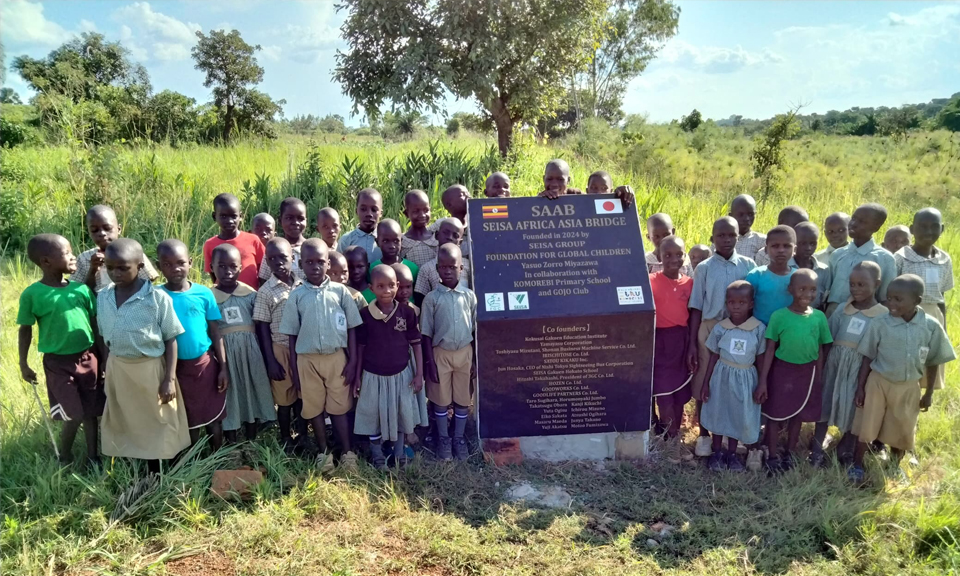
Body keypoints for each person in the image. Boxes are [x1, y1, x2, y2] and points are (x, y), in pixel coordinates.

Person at [849, 274, 956, 482]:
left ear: (917, 301)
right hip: (879, 382)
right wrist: (860, 387)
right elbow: (867, 356)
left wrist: (929, 393)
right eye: (889, 298)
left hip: (908, 386)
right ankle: (857, 465)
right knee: (867, 425)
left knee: (903, 428)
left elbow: (934, 360)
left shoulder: (930, 326)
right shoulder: (880, 323)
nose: (892, 303)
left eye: (898, 299)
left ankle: (894, 466)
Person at [96, 239, 188, 474]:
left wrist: (169, 379)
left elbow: (171, 338)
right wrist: (106, 364)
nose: (115, 273)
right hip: (119, 367)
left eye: (123, 268)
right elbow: (104, 335)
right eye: (110, 267)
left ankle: (161, 468)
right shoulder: (104, 296)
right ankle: (133, 464)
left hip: (149, 369)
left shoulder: (157, 299)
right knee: (125, 415)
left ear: (139, 266)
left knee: (156, 418)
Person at [18, 234, 102, 467]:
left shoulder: (81, 290)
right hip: (58, 363)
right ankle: (64, 457)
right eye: (66, 253)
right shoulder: (32, 294)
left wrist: (102, 358)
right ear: (46, 262)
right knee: (73, 414)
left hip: (88, 358)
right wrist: (23, 364)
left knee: (91, 412)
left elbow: (95, 324)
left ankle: (93, 457)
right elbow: (25, 329)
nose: (73, 256)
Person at [280, 238, 362, 472]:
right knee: (314, 407)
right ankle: (323, 453)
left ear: (328, 263)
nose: (315, 266)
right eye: (309, 262)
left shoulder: (340, 292)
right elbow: (292, 335)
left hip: (337, 358)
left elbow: (352, 328)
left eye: (320, 262)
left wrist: (352, 361)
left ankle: (347, 452)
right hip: (307, 361)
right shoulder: (296, 296)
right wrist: (295, 369)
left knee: (340, 407)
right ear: (300, 264)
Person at [688, 216, 757, 457]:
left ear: (739, 236)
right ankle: (704, 434)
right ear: (713, 238)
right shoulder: (704, 268)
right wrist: (692, 344)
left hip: (740, 330)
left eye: (731, 235)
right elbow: (696, 306)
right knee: (704, 380)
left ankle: (731, 432)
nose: (726, 239)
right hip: (710, 328)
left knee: (733, 381)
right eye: (721, 235)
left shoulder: (748, 265)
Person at [756, 270, 833, 473]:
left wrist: (818, 377)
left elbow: (821, 349)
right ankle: (772, 456)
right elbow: (770, 349)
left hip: (806, 374)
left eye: (812, 289)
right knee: (775, 414)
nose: (807, 294)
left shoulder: (819, 317)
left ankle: (789, 453)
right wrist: (763, 380)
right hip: (782, 372)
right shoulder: (779, 316)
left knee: (798, 415)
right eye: (802, 289)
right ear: (790, 289)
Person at [352, 265, 428, 469]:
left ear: (398, 285)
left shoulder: (407, 313)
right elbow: (360, 347)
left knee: (402, 414)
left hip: (401, 375)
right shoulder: (365, 315)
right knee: (373, 416)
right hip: (372, 375)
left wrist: (419, 374)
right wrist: (357, 376)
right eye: (380, 286)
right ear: (371, 288)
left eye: (391, 285)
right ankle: (377, 455)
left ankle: (399, 452)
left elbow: (416, 344)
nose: (387, 290)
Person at [812, 262, 886, 466]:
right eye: (852, 284)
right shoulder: (843, 309)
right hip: (835, 366)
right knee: (825, 402)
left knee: (854, 408)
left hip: (859, 369)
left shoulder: (882, 316)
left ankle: (846, 448)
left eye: (862, 284)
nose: (855, 289)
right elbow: (828, 338)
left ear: (877, 284)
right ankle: (816, 449)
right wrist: (822, 366)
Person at [158, 240, 229, 450]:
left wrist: (223, 368)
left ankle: (217, 457)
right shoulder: (157, 296)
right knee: (187, 418)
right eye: (167, 264)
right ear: (159, 266)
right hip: (175, 369)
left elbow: (215, 332)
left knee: (214, 417)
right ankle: (193, 460)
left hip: (205, 365)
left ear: (190, 263)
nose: (175, 269)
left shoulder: (203, 293)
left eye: (180, 263)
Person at [210, 244, 276, 443]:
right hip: (226, 355)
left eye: (233, 266)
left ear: (241, 267)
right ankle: (231, 439)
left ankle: (251, 438)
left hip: (251, 352)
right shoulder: (209, 298)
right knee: (231, 393)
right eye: (222, 266)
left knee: (252, 389)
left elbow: (261, 325)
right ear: (212, 267)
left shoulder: (251, 294)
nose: (228, 271)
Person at [699, 281, 767, 472]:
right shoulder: (721, 328)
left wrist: (762, 383)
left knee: (737, 414)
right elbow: (713, 356)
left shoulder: (758, 329)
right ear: (726, 303)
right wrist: (705, 383)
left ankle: (732, 454)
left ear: (751, 304)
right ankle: (717, 453)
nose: (736, 306)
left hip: (745, 380)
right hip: (721, 377)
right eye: (731, 302)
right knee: (719, 412)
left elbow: (761, 358)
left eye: (742, 302)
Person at [421, 244, 477, 462]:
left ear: (461, 268)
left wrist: (475, 360)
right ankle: (444, 439)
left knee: (463, 397)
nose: (447, 271)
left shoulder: (469, 297)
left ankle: (459, 438)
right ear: (437, 268)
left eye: (452, 267)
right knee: (441, 399)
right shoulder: (432, 299)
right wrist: (430, 363)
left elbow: (474, 330)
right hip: (440, 354)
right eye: (442, 267)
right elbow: (426, 334)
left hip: (464, 353)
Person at [253, 237, 307, 452]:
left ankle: (303, 436)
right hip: (280, 348)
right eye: (272, 259)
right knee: (284, 399)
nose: (278, 262)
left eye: (283, 257)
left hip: (303, 349)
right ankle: (285, 437)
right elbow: (262, 327)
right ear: (267, 262)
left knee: (302, 396)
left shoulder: (303, 283)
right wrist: (271, 361)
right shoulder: (266, 291)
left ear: (293, 258)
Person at [894, 207, 953, 392]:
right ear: (912, 229)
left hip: (933, 317)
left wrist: (943, 328)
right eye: (922, 226)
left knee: (927, 360)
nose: (928, 231)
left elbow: (941, 297)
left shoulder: (944, 259)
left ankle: (921, 401)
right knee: (906, 361)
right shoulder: (901, 258)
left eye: (934, 226)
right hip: (906, 316)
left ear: (942, 229)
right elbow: (891, 294)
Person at [649, 236, 694, 439]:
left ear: (685, 256)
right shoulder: (651, 281)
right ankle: (671, 437)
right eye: (667, 255)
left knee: (679, 392)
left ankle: (674, 432)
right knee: (664, 391)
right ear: (659, 257)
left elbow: (692, 315)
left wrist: (691, 345)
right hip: (659, 343)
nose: (674, 259)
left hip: (681, 342)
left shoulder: (690, 284)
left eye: (678, 254)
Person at [826, 203, 898, 317]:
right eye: (854, 218)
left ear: (876, 227)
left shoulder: (885, 258)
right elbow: (827, 291)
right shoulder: (837, 254)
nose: (853, 224)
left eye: (862, 221)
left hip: (865, 318)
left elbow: (885, 298)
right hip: (832, 315)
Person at [71, 204, 159, 293]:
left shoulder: (132, 253)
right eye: (94, 230)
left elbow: (148, 282)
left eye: (107, 228)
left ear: (119, 229)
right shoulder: (84, 258)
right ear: (89, 233)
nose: (102, 233)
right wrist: (93, 269)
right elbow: (79, 292)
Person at [203, 193, 265, 288]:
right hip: (223, 295)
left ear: (240, 216)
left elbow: (264, 269)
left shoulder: (253, 240)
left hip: (252, 294)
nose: (229, 221)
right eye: (223, 216)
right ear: (214, 216)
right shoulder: (210, 244)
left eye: (234, 216)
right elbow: (213, 274)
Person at [414, 218, 472, 307]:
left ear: (460, 242)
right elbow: (421, 302)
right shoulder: (426, 269)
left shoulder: (468, 266)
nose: (449, 237)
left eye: (455, 235)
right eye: (446, 233)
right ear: (437, 235)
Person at [745, 226, 796, 325]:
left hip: (789, 330)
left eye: (787, 246)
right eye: (775, 246)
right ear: (766, 249)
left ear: (795, 249)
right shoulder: (755, 276)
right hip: (760, 330)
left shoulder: (797, 277)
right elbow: (746, 307)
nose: (781, 250)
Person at [258, 197, 308, 283]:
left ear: (306, 220)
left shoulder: (310, 248)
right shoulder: (272, 248)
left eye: (300, 218)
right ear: (280, 220)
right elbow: (263, 280)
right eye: (289, 218)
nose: (295, 222)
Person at [371, 219, 419, 292]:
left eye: (396, 241)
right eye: (385, 241)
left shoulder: (412, 268)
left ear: (401, 241)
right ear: (377, 242)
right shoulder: (373, 269)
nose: (392, 246)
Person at [337, 188, 383, 261]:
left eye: (374, 210)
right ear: (356, 211)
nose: (369, 214)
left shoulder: (387, 240)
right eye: (363, 209)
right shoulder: (346, 240)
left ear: (381, 213)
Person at [793, 222, 831, 309]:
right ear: (794, 242)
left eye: (813, 244)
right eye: (803, 243)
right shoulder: (786, 267)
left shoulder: (824, 270)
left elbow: (824, 299)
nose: (808, 248)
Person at [400, 190, 439, 267]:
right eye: (416, 211)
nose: (422, 215)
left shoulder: (437, 239)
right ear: (406, 213)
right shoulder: (402, 242)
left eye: (426, 210)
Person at [440, 184, 472, 260]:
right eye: (462, 195)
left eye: (468, 193)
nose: (468, 197)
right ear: (449, 205)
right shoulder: (442, 225)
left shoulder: (476, 223)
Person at [729, 194, 765, 261]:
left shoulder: (763, 241)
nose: (746, 218)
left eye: (750, 214)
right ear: (731, 216)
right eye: (741, 215)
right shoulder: (723, 240)